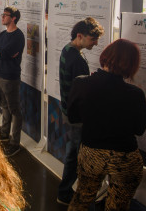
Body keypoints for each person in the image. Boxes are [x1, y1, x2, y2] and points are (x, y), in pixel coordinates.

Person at [66, 39, 146, 211]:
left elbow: (73, 117)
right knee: (118, 206)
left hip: (91, 152)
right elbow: (140, 129)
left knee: (82, 198)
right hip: (125, 157)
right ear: (131, 65)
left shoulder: (81, 83)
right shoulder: (136, 94)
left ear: (106, 56)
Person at [57, 17, 105, 205]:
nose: (96, 43)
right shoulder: (77, 59)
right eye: (93, 39)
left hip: (69, 110)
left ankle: (65, 190)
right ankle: (65, 192)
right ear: (80, 36)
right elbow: (81, 93)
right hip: (77, 115)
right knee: (74, 155)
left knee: (73, 152)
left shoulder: (67, 49)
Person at [0, 6, 25, 156]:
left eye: (5, 15)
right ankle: (4, 134)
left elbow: (2, 55)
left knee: (15, 111)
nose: (2, 17)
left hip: (10, 78)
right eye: (2, 14)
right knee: (4, 107)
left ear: (13, 18)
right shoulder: (3, 34)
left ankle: (15, 143)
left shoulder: (18, 36)